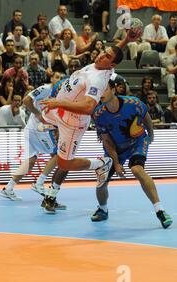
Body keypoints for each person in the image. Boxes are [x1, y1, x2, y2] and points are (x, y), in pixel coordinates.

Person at [39, 29, 138, 206]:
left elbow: (88, 107)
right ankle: (50, 197)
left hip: (72, 121)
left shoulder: (98, 79)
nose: (101, 56)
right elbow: (113, 52)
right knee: (40, 120)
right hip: (59, 112)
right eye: (103, 52)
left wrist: (58, 103)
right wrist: (126, 39)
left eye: (106, 57)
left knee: (65, 163)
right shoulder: (100, 63)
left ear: (111, 65)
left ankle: (101, 163)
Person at [91, 80, 173, 228]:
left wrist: (151, 135)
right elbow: (107, 141)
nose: (100, 93)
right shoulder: (98, 114)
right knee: (101, 179)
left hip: (137, 142)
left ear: (114, 90)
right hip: (115, 147)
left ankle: (160, 211)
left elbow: (146, 117)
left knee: (137, 169)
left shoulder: (133, 103)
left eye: (104, 89)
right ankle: (102, 209)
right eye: (98, 91)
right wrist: (116, 163)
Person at [0, 82, 68, 210]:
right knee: (58, 155)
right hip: (37, 129)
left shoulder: (62, 95)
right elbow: (26, 100)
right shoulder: (46, 88)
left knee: (31, 161)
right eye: (57, 78)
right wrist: (37, 114)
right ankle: (40, 182)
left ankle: (8, 188)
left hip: (35, 129)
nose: (60, 81)